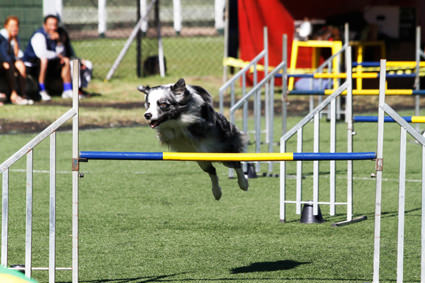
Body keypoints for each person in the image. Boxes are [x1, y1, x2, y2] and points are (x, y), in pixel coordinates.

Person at [23, 14, 73, 100]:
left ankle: (67, 90)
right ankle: (41, 90)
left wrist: (59, 41)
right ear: (44, 25)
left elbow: (62, 53)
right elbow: (42, 54)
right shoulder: (39, 35)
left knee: (66, 60)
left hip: (49, 65)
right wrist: (57, 56)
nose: (53, 28)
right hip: (32, 65)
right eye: (50, 25)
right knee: (44, 60)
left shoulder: (56, 35)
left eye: (55, 25)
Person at [0, 16, 33, 105]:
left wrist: (15, 43)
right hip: (3, 62)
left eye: (16, 26)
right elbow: (3, 54)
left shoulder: (15, 38)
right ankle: (13, 94)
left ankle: (23, 95)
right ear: (6, 26)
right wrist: (6, 61)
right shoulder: (2, 36)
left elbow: (17, 56)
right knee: (9, 64)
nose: (14, 28)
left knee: (20, 65)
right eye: (12, 26)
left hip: (8, 61)